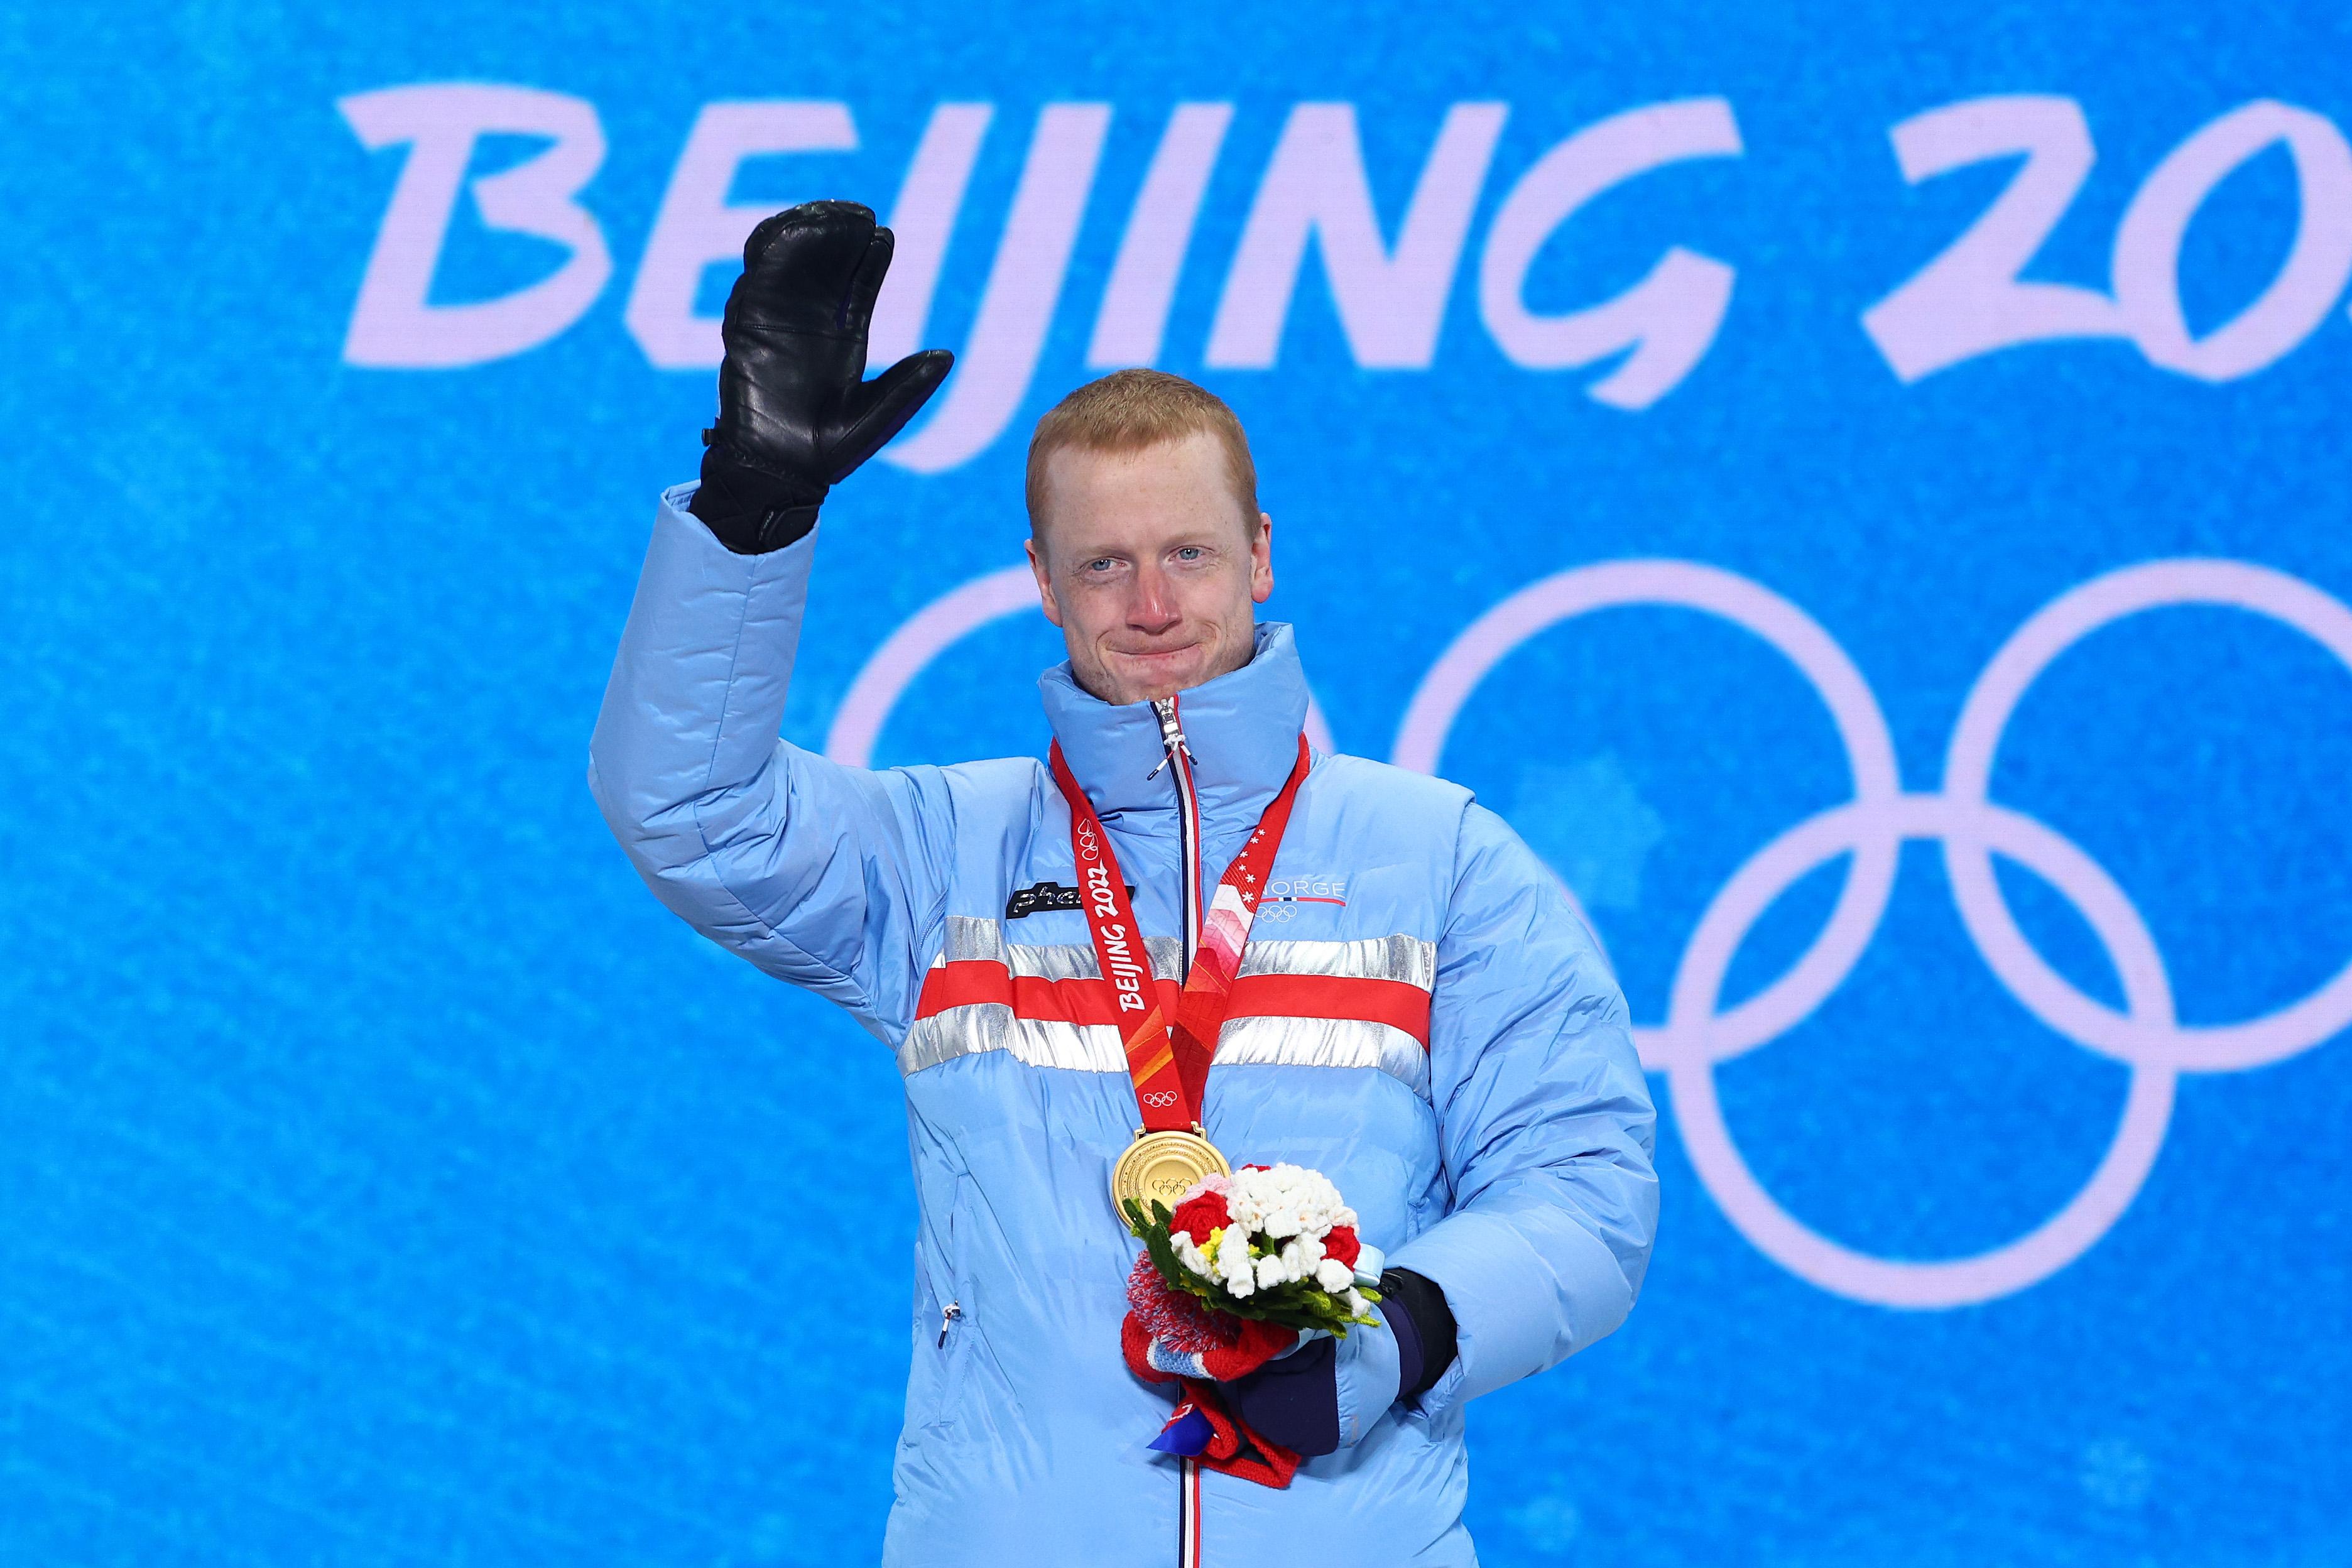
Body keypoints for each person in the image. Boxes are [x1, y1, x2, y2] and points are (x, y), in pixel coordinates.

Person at [590, 199, 1657, 1566]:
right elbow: (685, 806)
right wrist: (753, 509)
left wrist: (1405, 1327)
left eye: (1188, 555)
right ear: (1042, 580)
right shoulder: (939, 853)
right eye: (1104, 564)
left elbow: (1586, 1189)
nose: (1150, 604)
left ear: (1260, 555)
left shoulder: (1443, 860)